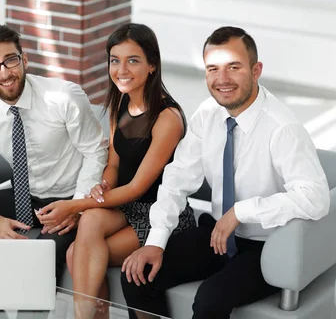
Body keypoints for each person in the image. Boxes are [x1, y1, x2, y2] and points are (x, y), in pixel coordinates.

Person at [119, 26, 330, 319]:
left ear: (256, 70)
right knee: (136, 274)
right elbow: (177, 179)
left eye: (234, 68)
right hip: (216, 235)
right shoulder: (207, 114)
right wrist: (155, 242)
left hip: (265, 247)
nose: (222, 80)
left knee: (210, 300)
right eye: (213, 69)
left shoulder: (283, 128)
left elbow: (316, 197)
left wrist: (242, 211)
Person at [36, 23, 196, 318]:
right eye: (115, 60)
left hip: (159, 213)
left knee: (76, 253)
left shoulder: (167, 117)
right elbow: (114, 163)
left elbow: (137, 187)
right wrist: (102, 187)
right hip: (124, 205)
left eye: (132, 60)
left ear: (152, 66)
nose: (121, 69)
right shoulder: (120, 101)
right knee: (92, 219)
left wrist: (75, 205)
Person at [0, 24, 108, 284]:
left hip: (69, 198)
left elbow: (96, 152)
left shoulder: (63, 97)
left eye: (10, 60)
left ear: (25, 60)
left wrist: (77, 206)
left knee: (38, 259)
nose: (5, 72)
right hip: (26, 197)